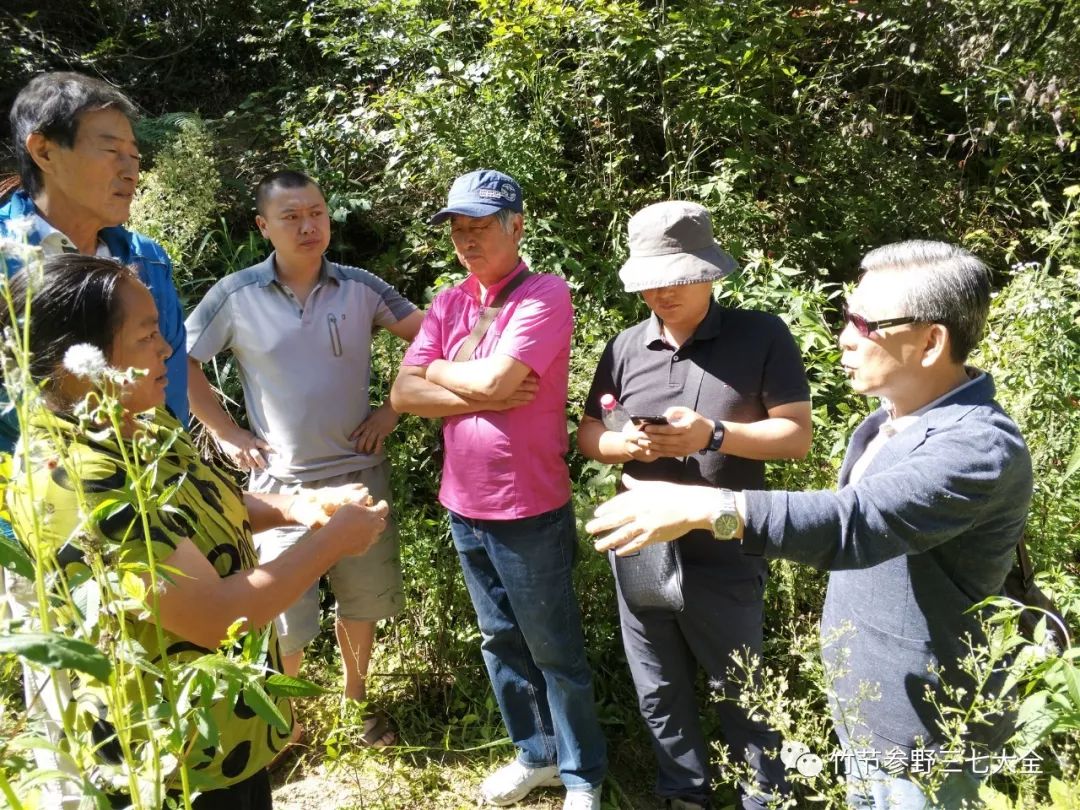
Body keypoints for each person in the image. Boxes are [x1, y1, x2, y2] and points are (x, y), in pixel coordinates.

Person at [586, 241, 1034, 810]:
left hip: (928, 729)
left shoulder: (976, 446)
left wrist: (705, 507)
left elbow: (854, 524)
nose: (845, 336)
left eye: (865, 323)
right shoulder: (885, 425)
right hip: (872, 708)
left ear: (930, 341)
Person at [3, 254, 389, 808]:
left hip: (226, 727)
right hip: (172, 755)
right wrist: (332, 542)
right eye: (144, 338)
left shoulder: (136, 417)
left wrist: (300, 507)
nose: (165, 349)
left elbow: (206, 502)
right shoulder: (75, 478)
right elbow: (211, 616)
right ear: (78, 365)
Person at [577, 201, 812, 810]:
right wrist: (618, 443)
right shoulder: (625, 346)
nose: (661, 291)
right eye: (649, 279)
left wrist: (712, 434)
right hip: (640, 546)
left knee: (742, 684)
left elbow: (796, 437)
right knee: (657, 687)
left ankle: (767, 796)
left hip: (727, 539)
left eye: (675, 276)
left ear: (709, 271)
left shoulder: (759, 335)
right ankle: (684, 795)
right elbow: (587, 434)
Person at [389, 169, 606, 809]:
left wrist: (442, 375)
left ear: (517, 225)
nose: (466, 239)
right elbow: (405, 393)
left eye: (480, 226)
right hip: (463, 503)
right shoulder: (451, 302)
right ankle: (534, 754)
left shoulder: (543, 295)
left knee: (554, 649)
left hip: (529, 505)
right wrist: (467, 378)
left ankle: (582, 774)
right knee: (499, 639)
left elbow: (495, 382)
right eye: (458, 228)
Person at [185, 170, 423, 746]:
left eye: (316, 212)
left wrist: (392, 409)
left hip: (360, 474)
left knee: (361, 601)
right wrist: (227, 432)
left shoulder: (361, 286)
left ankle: (354, 708)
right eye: (290, 216)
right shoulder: (237, 295)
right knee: (283, 614)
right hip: (283, 489)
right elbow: (182, 359)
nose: (308, 226)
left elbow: (430, 336)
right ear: (264, 227)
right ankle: (280, 727)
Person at [0, 71, 188, 428]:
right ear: (44, 151)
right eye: (112, 151)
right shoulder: (5, 261)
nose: (131, 172)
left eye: (134, 155)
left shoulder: (147, 262)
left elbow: (169, 393)